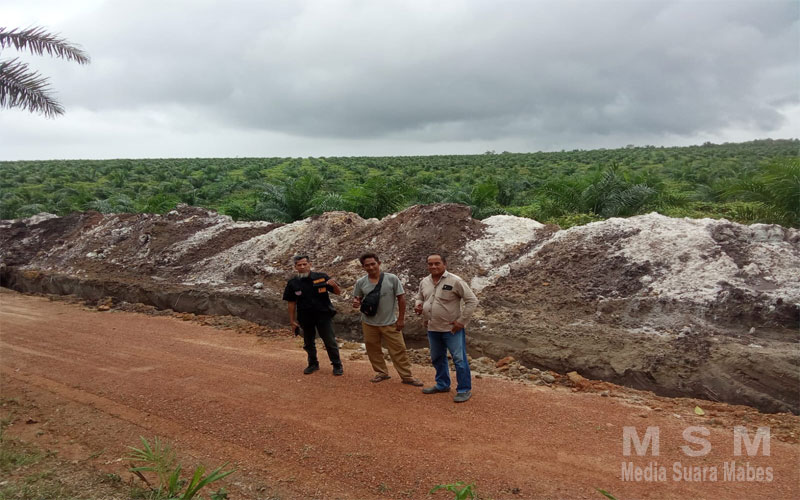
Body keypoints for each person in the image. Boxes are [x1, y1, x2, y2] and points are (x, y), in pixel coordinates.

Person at [414, 253, 478, 403]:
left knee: (459, 359)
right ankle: (442, 384)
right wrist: (418, 305)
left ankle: (464, 389)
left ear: (444, 264)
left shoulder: (455, 281)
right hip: (432, 327)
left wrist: (461, 322)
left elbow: (472, 301)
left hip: (451, 329)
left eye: (437, 263)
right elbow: (420, 297)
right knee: (437, 357)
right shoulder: (425, 281)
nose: (433, 266)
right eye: (430, 264)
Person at [352, 252, 423, 386]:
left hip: (390, 322)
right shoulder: (361, 282)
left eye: (373, 264)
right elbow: (358, 298)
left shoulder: (392, 279)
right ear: (363, 267)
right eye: (367, 265)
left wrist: (401, 319)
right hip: (369, 322)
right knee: (373, 349)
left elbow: (401, 298)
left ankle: (406, 376)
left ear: (379, 263)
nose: (371, 267)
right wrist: (356, 302)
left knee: (399, 349)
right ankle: (381, 372)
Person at [282, 255, 343, 376]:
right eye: (299, 265)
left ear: (310, 264)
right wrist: (292, 321)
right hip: (305, 317)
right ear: (295, 267)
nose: (302, 267)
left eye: (304, 264)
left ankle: (337, 365)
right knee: (308, 342)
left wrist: (334, 285)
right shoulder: (293, 283)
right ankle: (313, 364)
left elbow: (338, 292)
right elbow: (291, 303)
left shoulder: (321, 277)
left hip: (323, 315)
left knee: (330, 341)